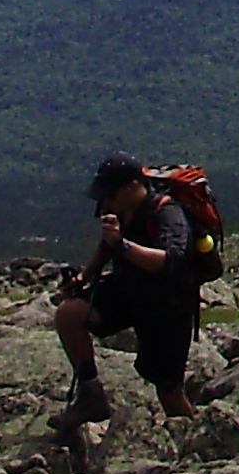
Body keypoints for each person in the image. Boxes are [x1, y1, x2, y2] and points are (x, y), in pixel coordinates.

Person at [51, 152, 200, 431]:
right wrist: (85, 276)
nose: (105, 202)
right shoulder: (122, 209)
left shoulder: (167, 213)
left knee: (168, 391)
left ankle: (197, 438)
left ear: (133, 186)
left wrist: (123, 247)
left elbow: (171, 260)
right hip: (130, 291)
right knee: (70, 314)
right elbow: (107, 244)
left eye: (110, 194)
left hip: (167, 306)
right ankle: (90, 394)